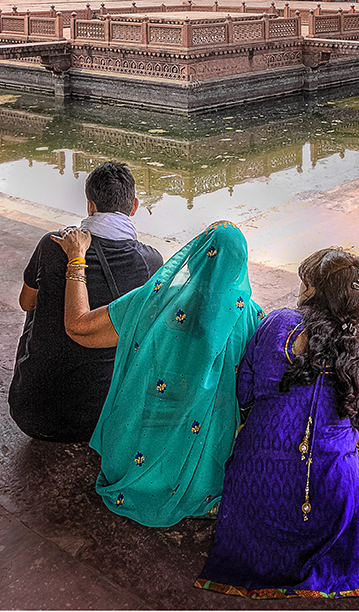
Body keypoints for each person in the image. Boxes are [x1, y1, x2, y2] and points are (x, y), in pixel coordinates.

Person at [195, 246, 359, 600]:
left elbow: (244, 393)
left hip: (254, 490)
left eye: (305, 282)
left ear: (313, 291)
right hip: (335, 492)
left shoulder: (277, 323)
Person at [53, 219, 264, 526]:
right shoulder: (253, 318)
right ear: (240, 266)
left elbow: (79, 327)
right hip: (206, 468)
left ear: (194, 257)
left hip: (140, 444)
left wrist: (76, 260)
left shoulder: (153, 301)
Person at [8, 161, 162, 443]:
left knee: (41, 299)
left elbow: (26, 302)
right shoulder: (150, 262)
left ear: (90, 206)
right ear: (135, 206)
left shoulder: (52, 244)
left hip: (32, 414)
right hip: (103, 419)